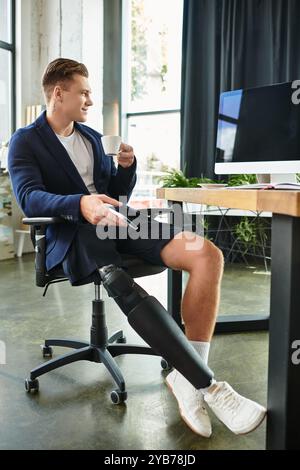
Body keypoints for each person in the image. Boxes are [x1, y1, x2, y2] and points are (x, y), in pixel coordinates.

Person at [8, 58, 266, 439]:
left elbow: (114, 193)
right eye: (84, 92)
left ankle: (187, 378)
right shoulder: (25, 140)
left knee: (206, 254)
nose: (90, 101)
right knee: (122, 281)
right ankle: (211, 388)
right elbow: (30, 198)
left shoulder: (93, 138)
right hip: (73, 232)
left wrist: (127, 167)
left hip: (119, 221)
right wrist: (81, 204)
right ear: (59, 93)